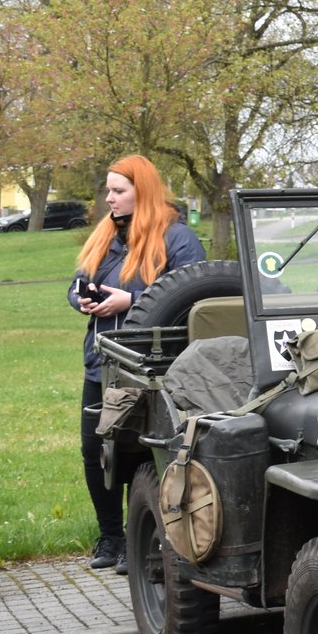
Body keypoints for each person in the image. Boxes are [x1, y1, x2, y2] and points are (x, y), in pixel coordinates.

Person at [69, 155, 207, 570]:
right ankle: (111, 538)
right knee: (97, 452)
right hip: (101, 363)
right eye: (108, 190)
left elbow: (195, 297)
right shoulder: (105, 235)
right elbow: (75, 285)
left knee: (143, 456)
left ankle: (146, 544)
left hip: (153, 370)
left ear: (141, 191)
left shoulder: (178, 238)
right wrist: (83, 299)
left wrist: (131, 300)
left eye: (118, 191)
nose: (109, 199)